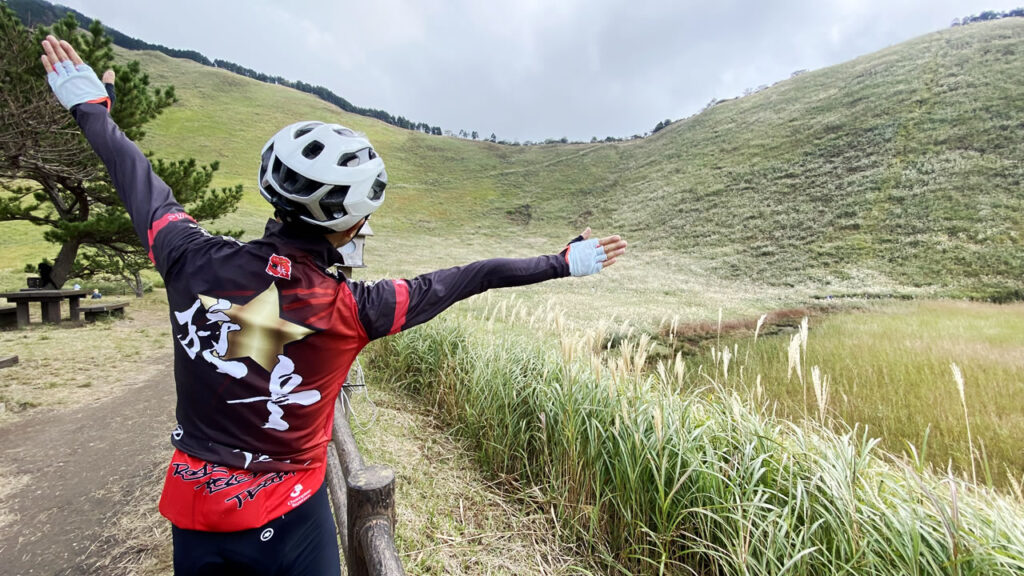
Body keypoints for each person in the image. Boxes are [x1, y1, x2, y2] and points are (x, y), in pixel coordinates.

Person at [41, 35, 627, 575]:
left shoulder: (188, 256)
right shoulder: (356, 307)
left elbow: (137, 180)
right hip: (291, 515)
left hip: (196, 510)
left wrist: (93, 111)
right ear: (349, 229)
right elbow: (472, 277)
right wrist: (560, 262)